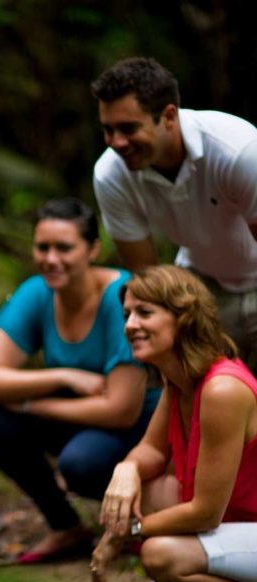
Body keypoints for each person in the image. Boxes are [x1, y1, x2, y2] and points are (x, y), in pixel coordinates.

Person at [0, 198, 157, 564]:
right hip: (81, 416)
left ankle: (141, 519)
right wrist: (62, 375)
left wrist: (29, 405)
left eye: (64, 248)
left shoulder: (123, 297)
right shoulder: (38, 292)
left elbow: (120, 411)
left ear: (93, 249)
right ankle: (65, 526)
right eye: (43, 247)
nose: (51, 259)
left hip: (138, 429)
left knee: (81, 464)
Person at [90, 265, 257, 582]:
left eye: (145, 313)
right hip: (245, 527)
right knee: (143, 488)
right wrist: (125, 470)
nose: (131, 325)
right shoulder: (181, 380)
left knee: (161, 554)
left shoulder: (221, 389)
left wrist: (122, 533)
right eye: (127, 314)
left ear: (183, 317)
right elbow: (149, 452)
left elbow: (205, 513)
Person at [91, 56, 257, 374]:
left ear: (168, 116)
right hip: (201, 284)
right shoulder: (111, 173)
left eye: (128, 129)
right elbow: (147, 275)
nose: (116, 143)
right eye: (108, 130)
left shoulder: (237, 151)